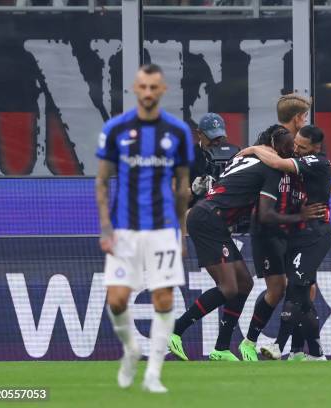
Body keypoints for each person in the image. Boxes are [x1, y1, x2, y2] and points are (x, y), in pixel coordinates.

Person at [169, 126, 326, 361]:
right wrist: (300, 217)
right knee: (229, 288)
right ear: (275, 146)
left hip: (212, 218)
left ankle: (221, 348)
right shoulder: (271, 169)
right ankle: (175, 330)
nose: (292, 150)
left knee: (244, 283)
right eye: (288, 145)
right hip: (209, 219)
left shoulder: (244, 157)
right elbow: (265, 214)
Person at [95, 64, 194, 393]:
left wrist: (181, 232)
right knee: (117, 301)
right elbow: (101, 181)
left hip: (163, 229)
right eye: (143, 87)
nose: (148, 92)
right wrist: (106, 227)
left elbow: (183, 187)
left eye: (154, 87)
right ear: (134, 90)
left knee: (163, 300)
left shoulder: (177, 132)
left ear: (163, 90)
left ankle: (153, 373)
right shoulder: (115, 129)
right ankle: (130, 349)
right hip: (124, 231)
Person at [238, 95, 331, 361]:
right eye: (304, 115)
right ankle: (253, 341)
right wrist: (255, 149)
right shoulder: (276, 143)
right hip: (274, 229)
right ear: (298, 118)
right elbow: (290, 167)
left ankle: (304, 351)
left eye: (302, 146)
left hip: (302, 230)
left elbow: (305, 171)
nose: (297, 148)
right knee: (283, 289)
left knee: (302, 289)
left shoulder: (298, 152)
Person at [189, 113, 240, 207]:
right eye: (212, 138)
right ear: (199, 133)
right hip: (197, 209)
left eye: (219, 138)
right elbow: (179, 193)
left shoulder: (234, 152)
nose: (216, 142)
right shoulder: (189, 156)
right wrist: (193, 190)